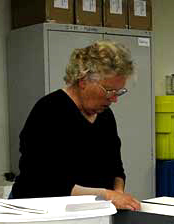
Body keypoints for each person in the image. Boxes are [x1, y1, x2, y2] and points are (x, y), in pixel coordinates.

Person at [10, 40, 141, 211]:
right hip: (39, 211)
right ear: (83, 80)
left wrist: (118, 194)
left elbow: (115, 167)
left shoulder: (105, 116)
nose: (114, 99)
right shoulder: (49, 111)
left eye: (119, 92)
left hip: (88, 212)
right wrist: (106, 195)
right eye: (109, 91)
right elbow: (46, 180)